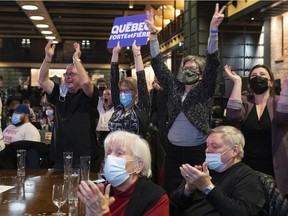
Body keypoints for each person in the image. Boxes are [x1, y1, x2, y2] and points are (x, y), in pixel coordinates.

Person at [145, 3, 225, 194]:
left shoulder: (203, 91)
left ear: (200, 74)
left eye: (193, 69)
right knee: (172, 189)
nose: (188, 71)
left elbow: (213, 64)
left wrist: (213, 31)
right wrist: (153, 37)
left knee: (195, 191)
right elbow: (158, 66)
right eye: (186, 68)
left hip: (196, 151)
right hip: (172, 150)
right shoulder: (175, 87)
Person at [170, 125, 265, 215]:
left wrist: (207, 187)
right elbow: (172, 204)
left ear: (234, 151)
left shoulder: (247, 177)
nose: (207, 150)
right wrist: (188, 189)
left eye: (214, 147)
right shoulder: (203, 171)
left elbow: (242, 212)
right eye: (207, 145)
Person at [224, 64, 288, 195]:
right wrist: (237, 82)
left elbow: (282, 118)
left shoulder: (278, 101)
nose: (258, 77)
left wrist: (286, 86)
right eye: (253, 75)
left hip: (274, 165)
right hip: (247, 165)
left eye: (262, 74)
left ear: (270, 82)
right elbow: (233, 114)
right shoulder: (245, 101)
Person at [77, 130, 170, 216]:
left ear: (138, 165)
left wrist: (102, 213)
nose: (110, 158)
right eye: (108, 153)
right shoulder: (101, 192)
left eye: (119, 153)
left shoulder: (156, 199)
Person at [38, 40, 99, 170]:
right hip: (60, 156)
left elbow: (86, 84)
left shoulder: (87, 94)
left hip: (83, 157)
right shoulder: (60, 92)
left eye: (72, 74)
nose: (68, 77)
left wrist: (76, 59)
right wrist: (48, 57)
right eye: (66, 74)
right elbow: (42, 81)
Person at [108, 41, 150, 138]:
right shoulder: (118, 108)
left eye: (126, 90)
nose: (122, 93)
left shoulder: (141, 108)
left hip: (134, 151)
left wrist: (137, 53)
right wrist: (115, 53)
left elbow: (141, 79)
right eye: (121, 90)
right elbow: (114, 79)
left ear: (135, 93)